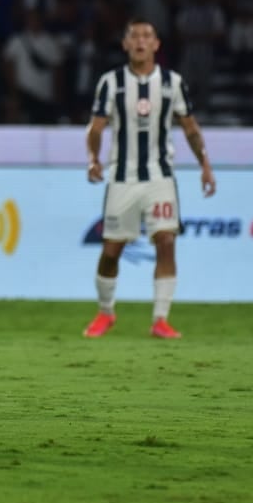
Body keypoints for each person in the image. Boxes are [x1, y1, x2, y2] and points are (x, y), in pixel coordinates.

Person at [84, 19, 217, 340]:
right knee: (111, 250)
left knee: (166, 242)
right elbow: (96, 127)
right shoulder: (111, 83)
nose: (141, 41)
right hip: (122, 177)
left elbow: (190, 128)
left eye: (147, 36)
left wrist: (205, 165)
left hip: (160, 177)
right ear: (125, 44)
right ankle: (106, 312)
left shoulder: (172, 83)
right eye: (134, 36)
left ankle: (160, 319)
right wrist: (93, 159)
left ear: (157, 44)